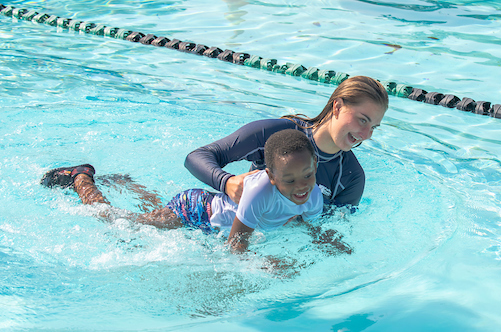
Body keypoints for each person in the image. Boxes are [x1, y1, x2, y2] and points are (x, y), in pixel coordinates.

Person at [40, 129, 350, 255]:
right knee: (122, 222)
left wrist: (323, 239)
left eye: (308, 175)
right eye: (290, 179)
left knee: (152, 214)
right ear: (270, 176)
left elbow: (307, 220)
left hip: (209, 216)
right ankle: (81, 177)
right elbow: (236, 244)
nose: (301, 186)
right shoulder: (259, 193)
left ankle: (126, 182)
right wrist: (261, 264)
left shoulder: (312, 194)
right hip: (197, 211)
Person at [185, 75, 389, 207]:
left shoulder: (351, 178)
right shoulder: (278, 133)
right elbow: (197, 156)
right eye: (362, 120)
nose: (365, 134)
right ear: (337, 107)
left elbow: (329, 234)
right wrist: (227, 182)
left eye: (373, 127)